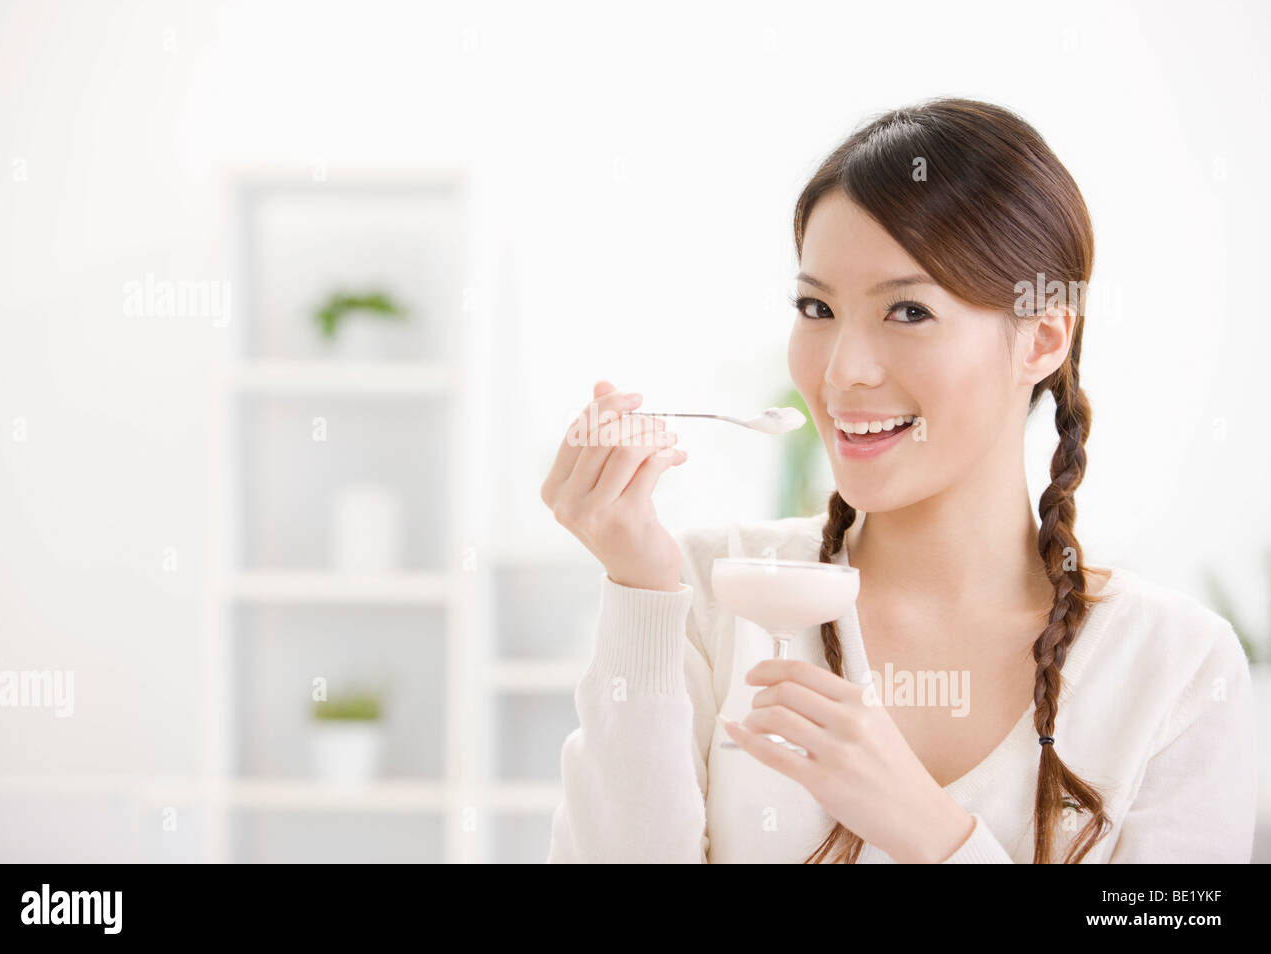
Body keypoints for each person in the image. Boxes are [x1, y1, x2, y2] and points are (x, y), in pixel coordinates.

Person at [538, 98, 1257, 863]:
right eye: (817, 307)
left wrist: (926, 828)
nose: (843, 370)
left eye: (908, 311)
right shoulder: (713, 595)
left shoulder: (1174, 665)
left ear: (1042, 337)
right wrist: (641, 596)